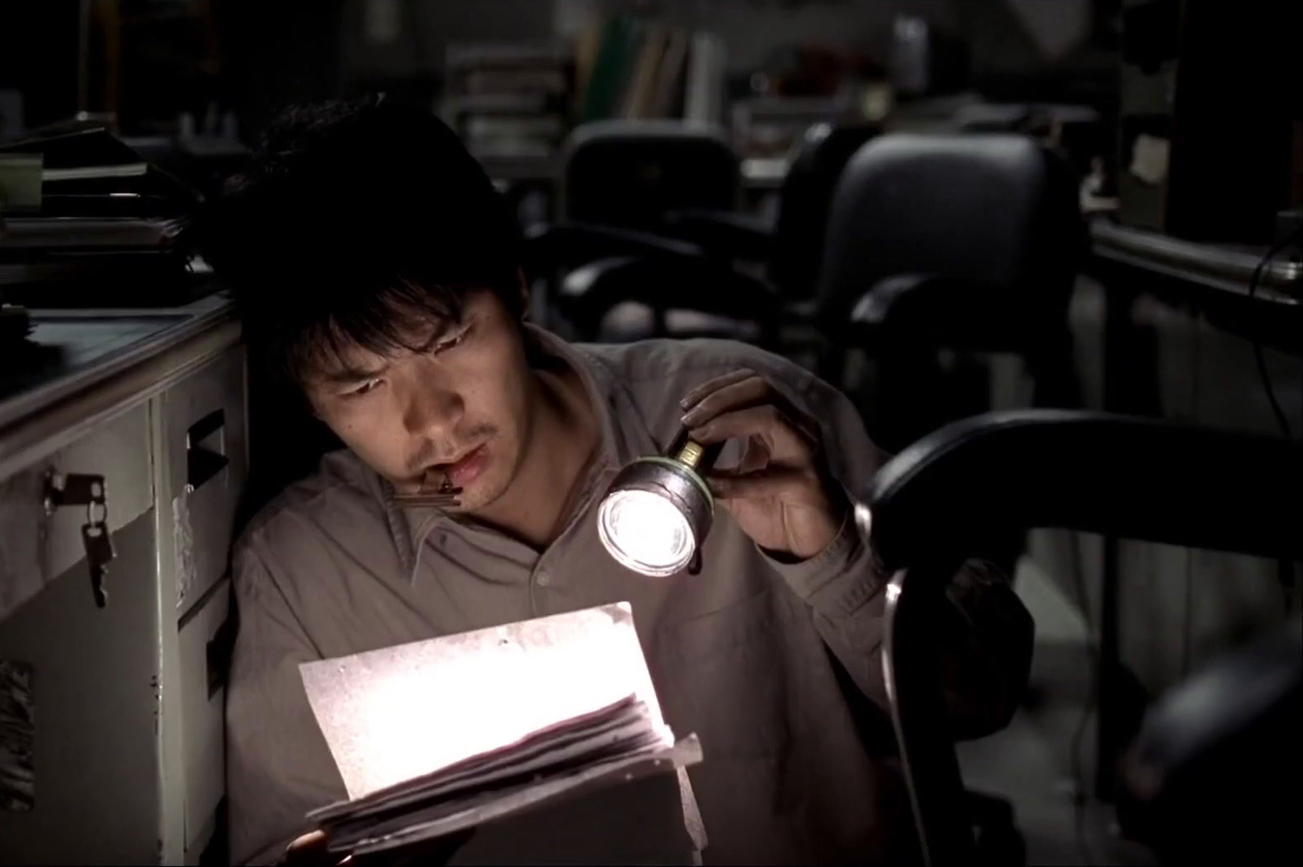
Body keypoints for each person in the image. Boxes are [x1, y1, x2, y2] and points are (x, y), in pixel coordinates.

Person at [200, 97, 1035, 866]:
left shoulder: (746, 426)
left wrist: (836, 563)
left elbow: (981, 697)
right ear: (310, 402)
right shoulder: (307, 575)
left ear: (518, 291)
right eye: (362, 384)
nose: (434, 420)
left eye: (449, 340)